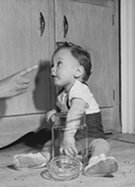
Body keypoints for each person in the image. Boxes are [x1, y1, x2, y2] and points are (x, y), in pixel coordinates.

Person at [14, 42, 118, 177]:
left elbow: (75, 111)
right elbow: (64, 113)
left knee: (102, 144)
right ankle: (41, 157)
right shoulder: (62, 95)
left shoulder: (80, 89)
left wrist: (68, 136)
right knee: (50, 143)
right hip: (72, 141)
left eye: (59, 64)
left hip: (90, 137)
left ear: (78, 71)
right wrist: (55, 114)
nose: (52, 69)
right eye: (52, 65)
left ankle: (96, 161)